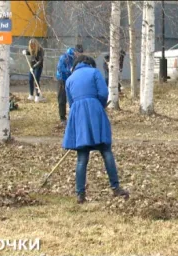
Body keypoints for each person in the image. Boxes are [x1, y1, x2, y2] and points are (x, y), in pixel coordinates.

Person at [62, 55, 130, 204]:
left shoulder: (69, 79)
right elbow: (104, 94)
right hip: (95, 112)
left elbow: (71, 102)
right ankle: (116, 188)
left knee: (82, 157)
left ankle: (80, 194)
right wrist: (97, 105)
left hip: (78, 116)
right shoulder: (94, 73)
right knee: (106, 151)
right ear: (90, 64)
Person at [55, 47, 76, 127]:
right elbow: (60, 68)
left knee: (73, 97)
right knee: (62, 98)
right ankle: (62, 117)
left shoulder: (74, 59)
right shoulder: (63, 58)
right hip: (62, 80)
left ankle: (73, 115)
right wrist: (69, 71)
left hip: (70, 79)